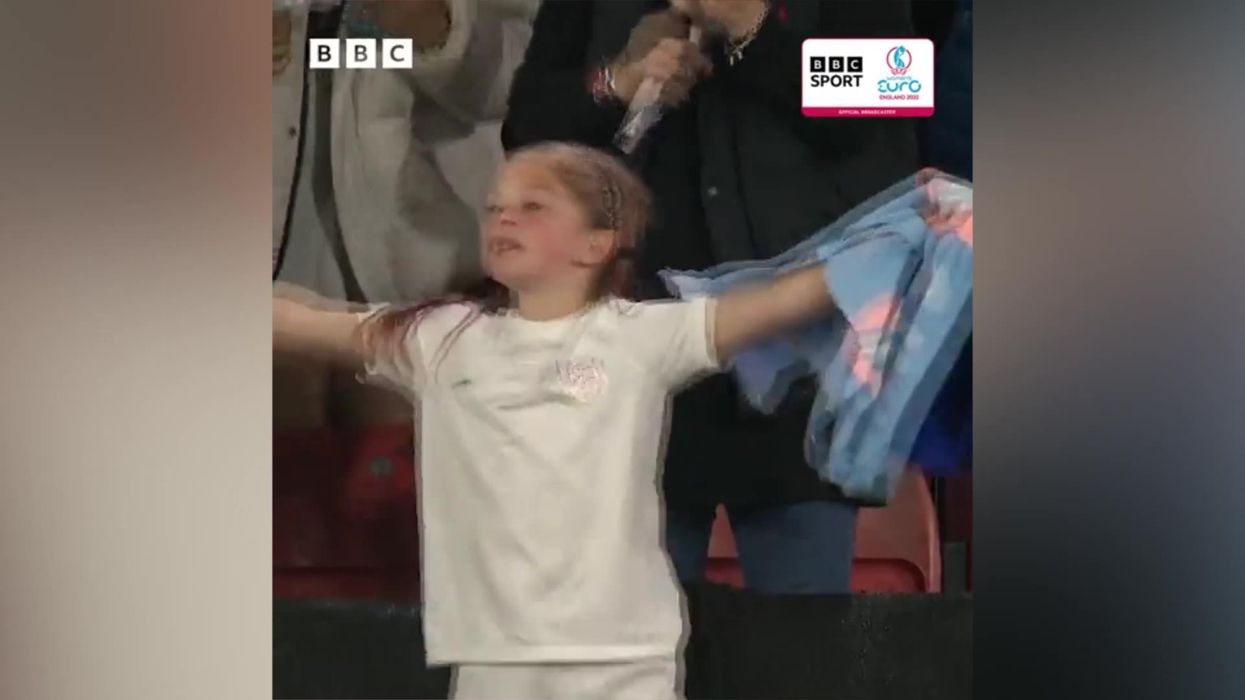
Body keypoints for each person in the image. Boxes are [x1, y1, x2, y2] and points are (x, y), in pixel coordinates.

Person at [273, 142, 862, 700]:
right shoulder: (441, 339)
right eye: (496, 207)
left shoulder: (641, 335)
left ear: (597, 244)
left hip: (621, 661)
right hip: (491, 659)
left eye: (533, 207)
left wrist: (914, 235)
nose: (504, 219)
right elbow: (303, 321)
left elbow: (788, 298)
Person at [501, 0, 919, 592]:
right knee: (633, 655)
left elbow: (889, 93)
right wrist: (617, 82)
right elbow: (527, 134)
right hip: (636, 366)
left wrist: (748, 23)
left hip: (803, 369)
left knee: (802, 650)